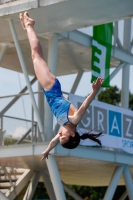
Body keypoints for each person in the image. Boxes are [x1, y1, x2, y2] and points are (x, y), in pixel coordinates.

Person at [19, 12, 104, 161]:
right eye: (62, 136)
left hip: (50, 89)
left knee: (36, 57)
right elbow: (85, 106)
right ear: (71, 134)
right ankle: (29, 26)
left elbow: (53, 142)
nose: (59, 134)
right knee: (36, 56)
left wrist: (46, 151)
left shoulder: (65, 126)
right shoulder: (74, 120)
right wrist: (94, 92)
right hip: (52, 88)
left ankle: (27, 29)